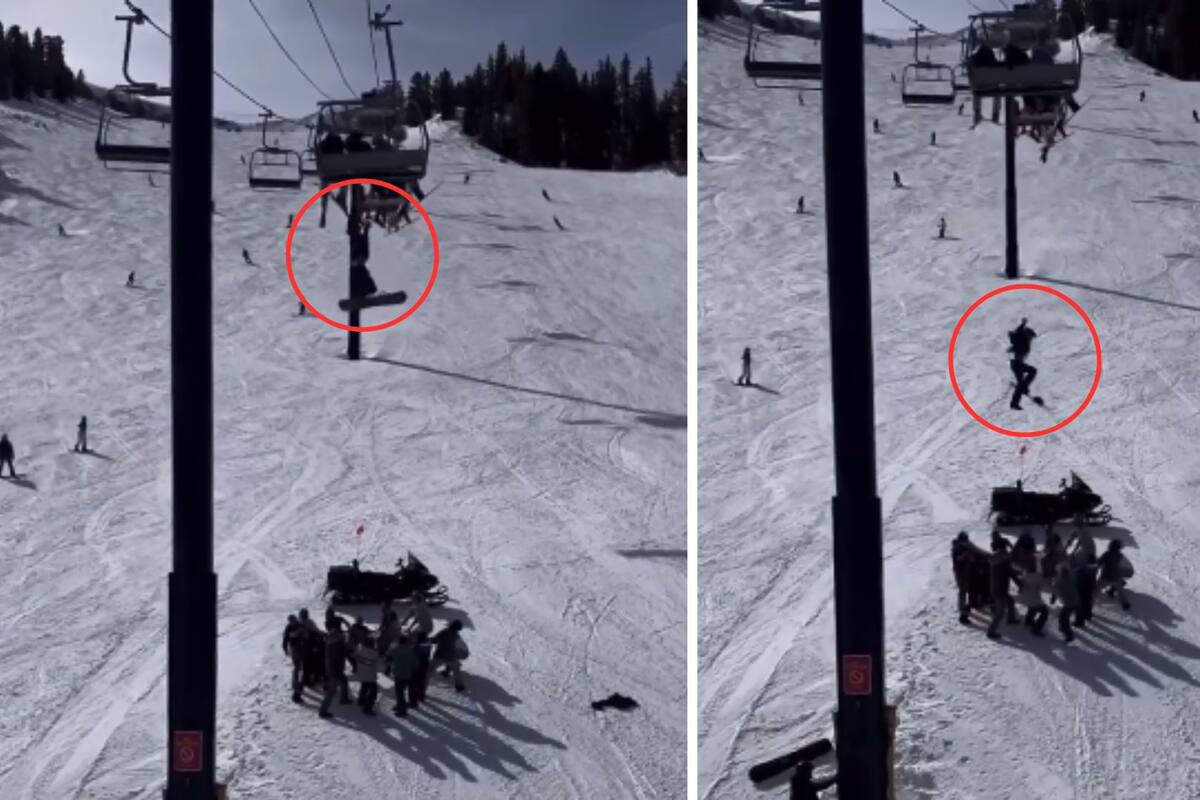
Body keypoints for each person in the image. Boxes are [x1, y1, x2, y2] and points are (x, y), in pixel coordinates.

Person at [987, 539, 1021, 639]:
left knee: (1010, 601)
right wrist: (1020, 583)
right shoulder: (1004, 560)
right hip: (1000, 589)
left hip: (995, 587)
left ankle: (1011, 619)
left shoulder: (994, 557)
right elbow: (1010, 573)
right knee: (1000, 612)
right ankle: (991, 631)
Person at [318, 624, 352, 717]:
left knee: (344, 680)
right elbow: (346, 652)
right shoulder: (337, 645)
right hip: (335, 670)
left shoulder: (329, 643)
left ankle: (343, 698)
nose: (341, 636)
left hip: (332, 668)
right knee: (331, 692)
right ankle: (322, 711)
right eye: (340, 635)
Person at [1007, 318, 1039, 410]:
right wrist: (1022, 324)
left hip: (1016, 364)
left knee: (1021, 384)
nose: (1031, 338)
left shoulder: (1024, 343)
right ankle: (1023, 388)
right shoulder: (1021, 340)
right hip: (1017, 364)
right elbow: (1017, 334)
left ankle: (1014, 403)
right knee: (1032, 371)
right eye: (1031, 336)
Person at [429, 620, 467, 692]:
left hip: (440, 656)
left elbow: (434, 640)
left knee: (430, 669)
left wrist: (426, 640)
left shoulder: (444, 632)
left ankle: (423, 683)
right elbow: (460, 648)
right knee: (456, 669)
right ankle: (459, 685)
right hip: (452, 657)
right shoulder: (457, 636)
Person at [1018, 556, 1049, 636]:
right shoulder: (1038, 576)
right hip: (1034, 598)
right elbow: (1043, 587)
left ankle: (1028, 621)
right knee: (1045, 612)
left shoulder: (1024, 575)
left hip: (1025, 598)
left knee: (1033, 607)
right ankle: (1036, 629)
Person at [1097, 540, 1132, 610]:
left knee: (1095, 589)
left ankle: (1088, 601)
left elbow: (1098, 563)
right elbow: (1123, 567)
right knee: (1120, 591)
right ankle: (1125, 603)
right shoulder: (1120, 555)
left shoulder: (1106, 554)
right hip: (1116, 578)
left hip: (1106, 578)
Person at [386, 634, 415, 716]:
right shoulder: (410, 650)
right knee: (402, 691)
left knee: (399, 693)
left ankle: (402, 710)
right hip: (408, 674)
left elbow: (388, 659)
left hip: (398, 674)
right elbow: (415, 663)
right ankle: (400, 705)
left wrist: (390, 666)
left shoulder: (395, 650)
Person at [283, 614, 308, 703]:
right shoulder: (289, 628)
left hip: (302, 648)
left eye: (293, 620)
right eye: (291, 621)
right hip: (295, 649)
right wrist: (285, 648)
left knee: (301, 666)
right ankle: (296, 685)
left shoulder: (300, 625)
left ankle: (299, 683)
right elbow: (285, 639)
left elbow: (306, 634)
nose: (292, 622)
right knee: (297, 667)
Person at [354, 637, 380, 714]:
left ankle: (361, 700)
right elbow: (376, 664)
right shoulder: (374, 653)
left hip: (361, 672)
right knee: (373, 692)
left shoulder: (360, 649)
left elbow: (356, 657)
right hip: (370, 675)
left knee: (364, 686)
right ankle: (367, 708)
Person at [1053, 562, 1078, 642]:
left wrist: (1053, 598)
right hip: (1075, 601)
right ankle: (1063, 628)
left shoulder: (1061, 581)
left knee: (1063, 618)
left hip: (1069, 603)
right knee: (1063, 616)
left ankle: (1069, 634)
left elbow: (1055, 589)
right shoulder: (1072, 577)